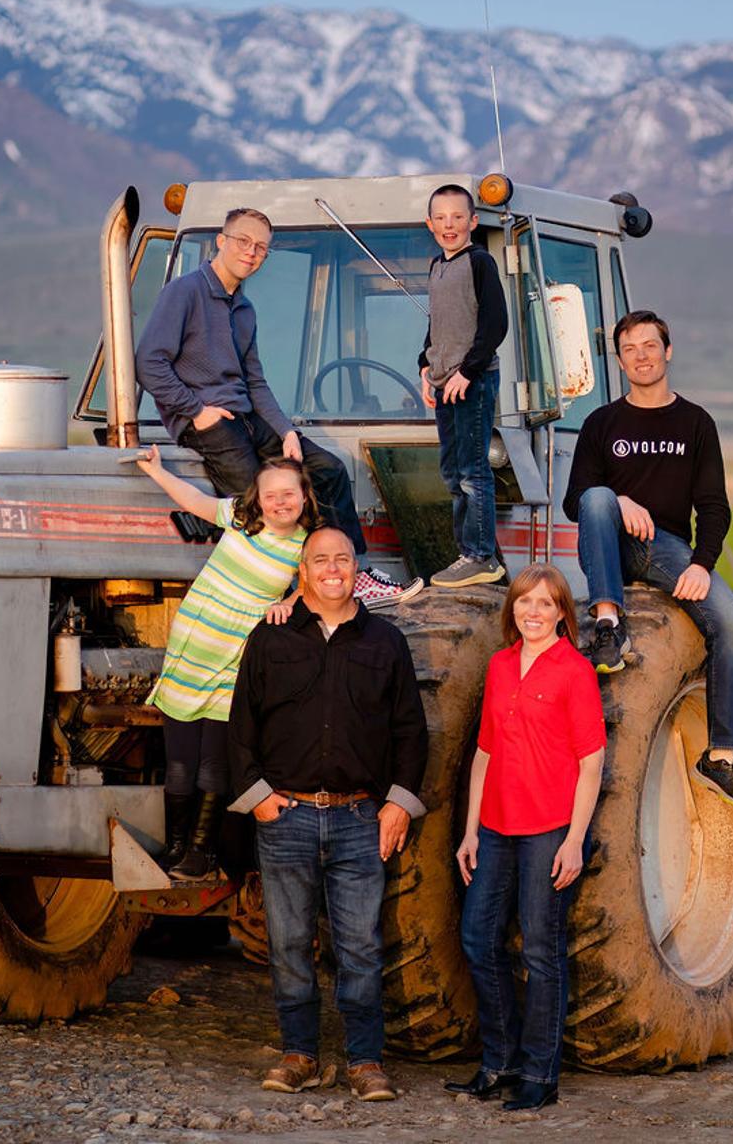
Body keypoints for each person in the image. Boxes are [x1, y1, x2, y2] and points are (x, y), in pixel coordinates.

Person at [227, 525, 428, 1102]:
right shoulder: (269, 641)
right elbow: (241, 728)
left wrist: (399, 804)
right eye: (321, 560)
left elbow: (410, 732)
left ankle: (365, 1061)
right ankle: (300, 1055)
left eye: (343, 558)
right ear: (304, 571)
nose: (333, 568)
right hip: (285, 818)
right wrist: (260, 797)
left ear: (355, 567)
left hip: (360, 819)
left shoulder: (385, 642)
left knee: (360, 946)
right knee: (289, 943)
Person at [136, 206, 421, 610]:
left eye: (261, 248)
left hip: (248, 418)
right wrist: (196, 410)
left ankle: (355, 576)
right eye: (243, 242)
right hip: (206, 422)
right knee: (265, 504)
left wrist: (287, 431)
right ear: (222, 241)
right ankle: (289, 601)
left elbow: (255, 382)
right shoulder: (185, 292)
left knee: (328, 470)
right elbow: (148, 362)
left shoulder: (244, 310)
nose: (251, 253)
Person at [561, 309, 733, 812]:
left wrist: (701, 563)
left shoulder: (695, 423)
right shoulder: (601, 423)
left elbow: (715, 506)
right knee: (599, 499)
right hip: (608, 541)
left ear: (667, 352)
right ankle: (609, 627)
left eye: (650, 346)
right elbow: (576, 501)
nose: (641, 356)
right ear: (620, 359)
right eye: (630, 349)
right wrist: (618, 499)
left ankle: (721, 754)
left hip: (666, 548)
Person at [449, 564, 605, 1112]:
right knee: (478, 939)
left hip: (548, 831)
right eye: (524, 602)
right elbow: (485, 753)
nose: (532, 612)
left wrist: (574, 840)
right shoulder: (498, 666)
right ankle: (500, 1062)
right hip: (494, 827)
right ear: (512, 608)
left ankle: (541, 1074)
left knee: (541, 952)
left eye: (544, 603)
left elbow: (592, 762)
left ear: (562, 612)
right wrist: (470, 829)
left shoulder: (575, 671)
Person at [136, 444, 317, 878]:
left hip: (237, 654)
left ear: (305, 497)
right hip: (194, 643)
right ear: (258, 498)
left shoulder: (305, 544)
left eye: (289, 494)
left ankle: (202, 851)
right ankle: (176, 848)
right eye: (271, 494)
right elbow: (195, 502)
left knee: (214, 760)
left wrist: (288, 601)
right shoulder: (241, 517)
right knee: (179, 760)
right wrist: (158, 472)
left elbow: (315, 585)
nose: (280, 502)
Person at [417, 184, 510, 589]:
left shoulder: (480, 263)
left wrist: (466, 373)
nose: (449, 224)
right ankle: (465, 553)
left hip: (471, 380)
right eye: (441, 218)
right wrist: (425, 365)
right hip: (443, 381)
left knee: (474, 471)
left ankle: (481, 557)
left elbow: (495, 325)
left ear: (473, 221)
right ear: (430, 224)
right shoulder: (437, 265)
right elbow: (438, 325)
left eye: (457, 217)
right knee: (452, 471)